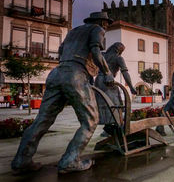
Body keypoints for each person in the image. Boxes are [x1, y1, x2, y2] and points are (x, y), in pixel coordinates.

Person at [11, 12, 114, 174]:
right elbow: (96, 51)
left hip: (57, 73)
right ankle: (70, 160)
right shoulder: (97, 29)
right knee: (91, 121)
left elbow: (61, 51)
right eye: (106, 23)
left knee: (42, 120)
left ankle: (21, 160)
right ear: (101, 22)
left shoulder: (73, 32)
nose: (106, 27)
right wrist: (107, 72)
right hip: (75, 74)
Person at [95, 42, 137, 128]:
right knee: (114, 103)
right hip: (108, 82)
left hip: (98, 81)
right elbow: (125, 73)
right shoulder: (118, 58)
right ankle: (112, 125)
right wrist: (131, 87)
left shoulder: (102, 55)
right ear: (120, 50)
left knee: (103, 102)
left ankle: (107, 126)